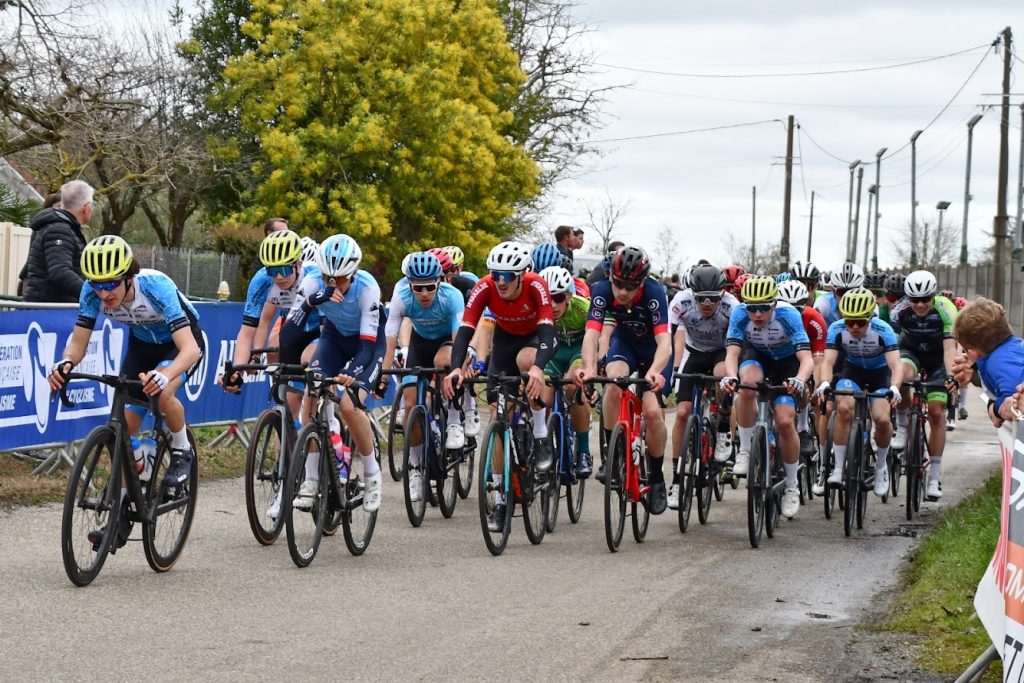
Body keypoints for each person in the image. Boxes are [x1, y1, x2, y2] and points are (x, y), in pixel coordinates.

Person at [48, 235, 204, 536]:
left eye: (110, 284)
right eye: (97, 284)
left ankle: (182, 449)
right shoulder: (92, 293)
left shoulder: (155, 287)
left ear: (129, 277)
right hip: (142, 346)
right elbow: (78, 343)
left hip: (181, 345)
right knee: (123, 431)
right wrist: (65, 363)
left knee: (162, 392)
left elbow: (190, 350)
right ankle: (119, 514)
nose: (103, 292)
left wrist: (166, 373)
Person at [442, 241, 557, 531]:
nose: (501, 281)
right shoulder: (484, 287)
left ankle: (541, 434)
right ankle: (501, 497)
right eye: (496, 275)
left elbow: (547, 332)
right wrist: (457, 366)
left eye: (508, 275)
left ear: (521, 275)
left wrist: (538, 369)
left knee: (527, 362)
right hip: (504, 343)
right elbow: (466, 330)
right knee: (497, 417)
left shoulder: (536, 285)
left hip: (534, 340)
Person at [283, 234, 386, 513]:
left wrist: (351, 373)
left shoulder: (367, 288)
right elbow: (288, 334)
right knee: (310, 393)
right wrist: (310, 302)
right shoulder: (313, 282)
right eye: (329, 277)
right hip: (334, 339)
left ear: (353, 273)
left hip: (368, 345)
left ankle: (372, 471)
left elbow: (366, 348)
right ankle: (312, 479)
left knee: (349, 405)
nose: (334, 284)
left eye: (340, 279)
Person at [575, 245, 673, 515]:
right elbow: (592, 335)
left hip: (654, 351)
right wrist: (589, 368)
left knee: (652, 413)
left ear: (641, 282)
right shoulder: (602, 291)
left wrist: (655, 370)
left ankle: (655, 477)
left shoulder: (654, 292)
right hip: (625, 344)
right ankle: (610, 455)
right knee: (612, 384)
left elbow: (664, 340)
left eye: (630, 286)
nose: (623, 291)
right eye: (618, 284)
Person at [720, 276, 814, 520]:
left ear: (774, 304)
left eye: (763, 308)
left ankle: (792, 485)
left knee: (784, 422)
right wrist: (730, 376)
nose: (758, 314)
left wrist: (800, 380)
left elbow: (807, 359)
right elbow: (732, 354)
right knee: (747, 386)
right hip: (758, 356)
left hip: (787, 363)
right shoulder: (740, 314)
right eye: (752, 308)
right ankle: (745, 450)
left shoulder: (788, 315)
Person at [380, 251, 465, 501]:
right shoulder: (402, 297)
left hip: (446, 343)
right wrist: (383, 375)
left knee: (443, 363)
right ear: (409, 285)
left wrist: (457, 369)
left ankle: (452, 418)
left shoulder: (452, 297)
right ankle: (416, 469)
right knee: (410, 406)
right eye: (419, 288)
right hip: (419, 345)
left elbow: (459, 338)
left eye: (430, 287)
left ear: (439, 281)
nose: (425, 293)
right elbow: (390, 337)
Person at [814, 288, 902, 497]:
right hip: (852, 371)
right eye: (849, 321)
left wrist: (895, 387)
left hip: (879, 373)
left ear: (870, 318)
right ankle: (837, 468)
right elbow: (828, 361)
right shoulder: (836, 329)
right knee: (843, 408)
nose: (854, 327)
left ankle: (881, 467)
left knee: (881, 419)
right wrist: (825, 382)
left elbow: (896, 365)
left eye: (860, 322)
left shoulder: (883, 330)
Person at [666, 264, 737, 509]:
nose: (707, 304)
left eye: (713, 299)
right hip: (693, 353)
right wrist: (671, 372)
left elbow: (738, 345)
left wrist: (731, 376)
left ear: (722, 294)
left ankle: (723, 428)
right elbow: (668, 337)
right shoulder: (680, 301)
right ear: (692, 294)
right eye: (701, 299)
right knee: (683, 413)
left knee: (722, 378)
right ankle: (676, 480)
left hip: (721, 352)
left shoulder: (732, 306)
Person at [889, 270, 958, 501]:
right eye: (914, 300)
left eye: (925, 299)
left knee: (937, 413)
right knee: (903, 376)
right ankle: (902, 426)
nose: (919, 305)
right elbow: (894, 348)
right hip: (911, 352)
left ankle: (935, 477)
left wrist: (950, 377)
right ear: (907, 298)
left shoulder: (946, 309)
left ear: (934, 295)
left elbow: (950, 349)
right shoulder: (899, 312)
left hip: (938, 358)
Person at [538, 266, 594, 478]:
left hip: (577, 350)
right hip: (553, 351)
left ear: (569, 296)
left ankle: (583, 451)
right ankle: (545, 446)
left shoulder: (583, 308)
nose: (552, 304)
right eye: (548, 298)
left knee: (573, 386)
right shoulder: (538, 309)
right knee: (544, 395)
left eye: (558, 297)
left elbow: (595, 338)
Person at [951, 297, 1024, 427]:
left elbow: (1014, 398)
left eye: (965, 351)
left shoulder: (997, 363)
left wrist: (995, 409)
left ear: (974, 353)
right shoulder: (1015, 346)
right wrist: (976, 372)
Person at [20, 179, 93, 303]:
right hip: (50, 312)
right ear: (87, 207)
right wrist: (93, 295)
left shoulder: (63, 228)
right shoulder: (59, 230)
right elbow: (60, 272)